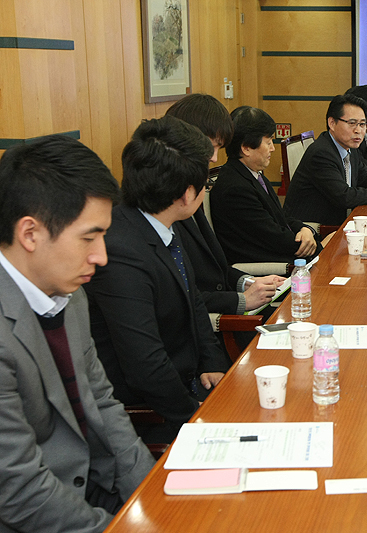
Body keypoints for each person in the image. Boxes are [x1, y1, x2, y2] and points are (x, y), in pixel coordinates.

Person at [0, 135, 155, 532]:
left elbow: (102, 402)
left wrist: (154, 498)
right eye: (89, 238)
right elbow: (18, 489)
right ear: (30, 233)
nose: (101, 257)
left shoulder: (69, 293)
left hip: (93, 487)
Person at [85, 116, 231, 443]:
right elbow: (144, 365)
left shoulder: (160, 219)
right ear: (186, 195)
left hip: (190, 379)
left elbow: (192, 298)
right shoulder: (120, 252)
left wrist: (214, 362)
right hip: (151, 409)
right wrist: (197, 418)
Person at [165, 94, 283, 318]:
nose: (214, 159)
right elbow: (181, 297)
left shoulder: (192, 195)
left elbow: (216, 267)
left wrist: (248, 282)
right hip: (220, 318)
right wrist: (241, 299)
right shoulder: (169, 209)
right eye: (210, 147)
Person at [210, 105, 322, 268]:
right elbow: (271, 237)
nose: (273, 148)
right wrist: (313, 245)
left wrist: (306, 230)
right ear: (246, 148)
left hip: (280, 254)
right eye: (268, 142)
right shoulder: (234, 188)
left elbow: (280, 218)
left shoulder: (252, 174)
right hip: (268, 266)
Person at [283, 94, 367, 226]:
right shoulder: (321, 153)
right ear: (332, 123)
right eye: (352, 123)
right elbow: (344, 197)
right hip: (311, 229)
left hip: (339, 220)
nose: (358, 130)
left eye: (362, 124)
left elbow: (364, 176)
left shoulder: (349, 146)